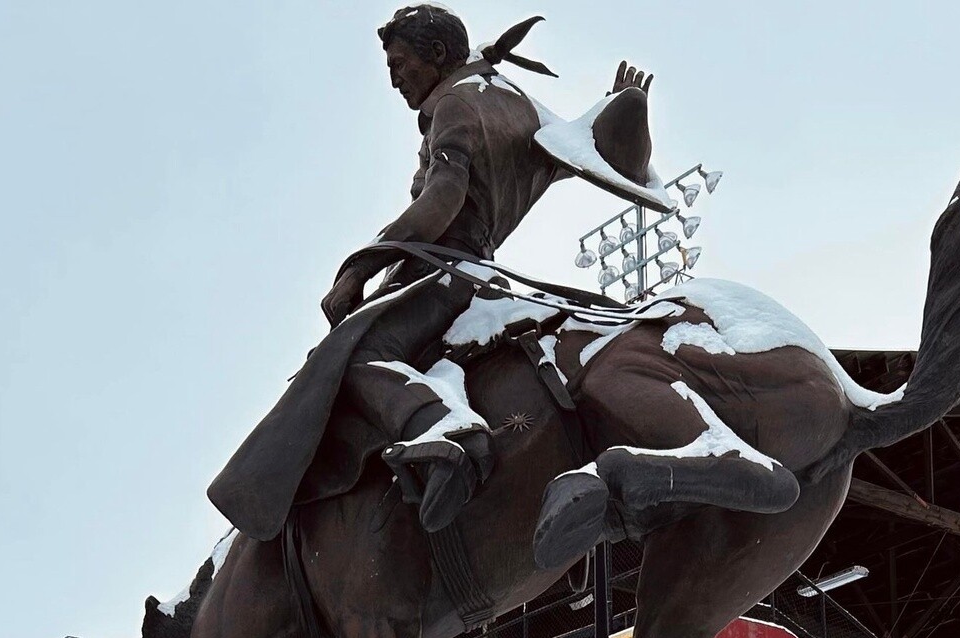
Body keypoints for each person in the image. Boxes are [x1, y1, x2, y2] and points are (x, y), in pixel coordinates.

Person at [208, 5, 667, 542]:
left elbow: (443, 200)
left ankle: (445, 431)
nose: (395, 78)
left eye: (400, 64)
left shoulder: (453, 103)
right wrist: (619, 113)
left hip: (446, 273)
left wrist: (361, 266)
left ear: (438, 56)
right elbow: (583, 152)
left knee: (351, 359)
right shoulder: (510, 103)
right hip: (474, 271)